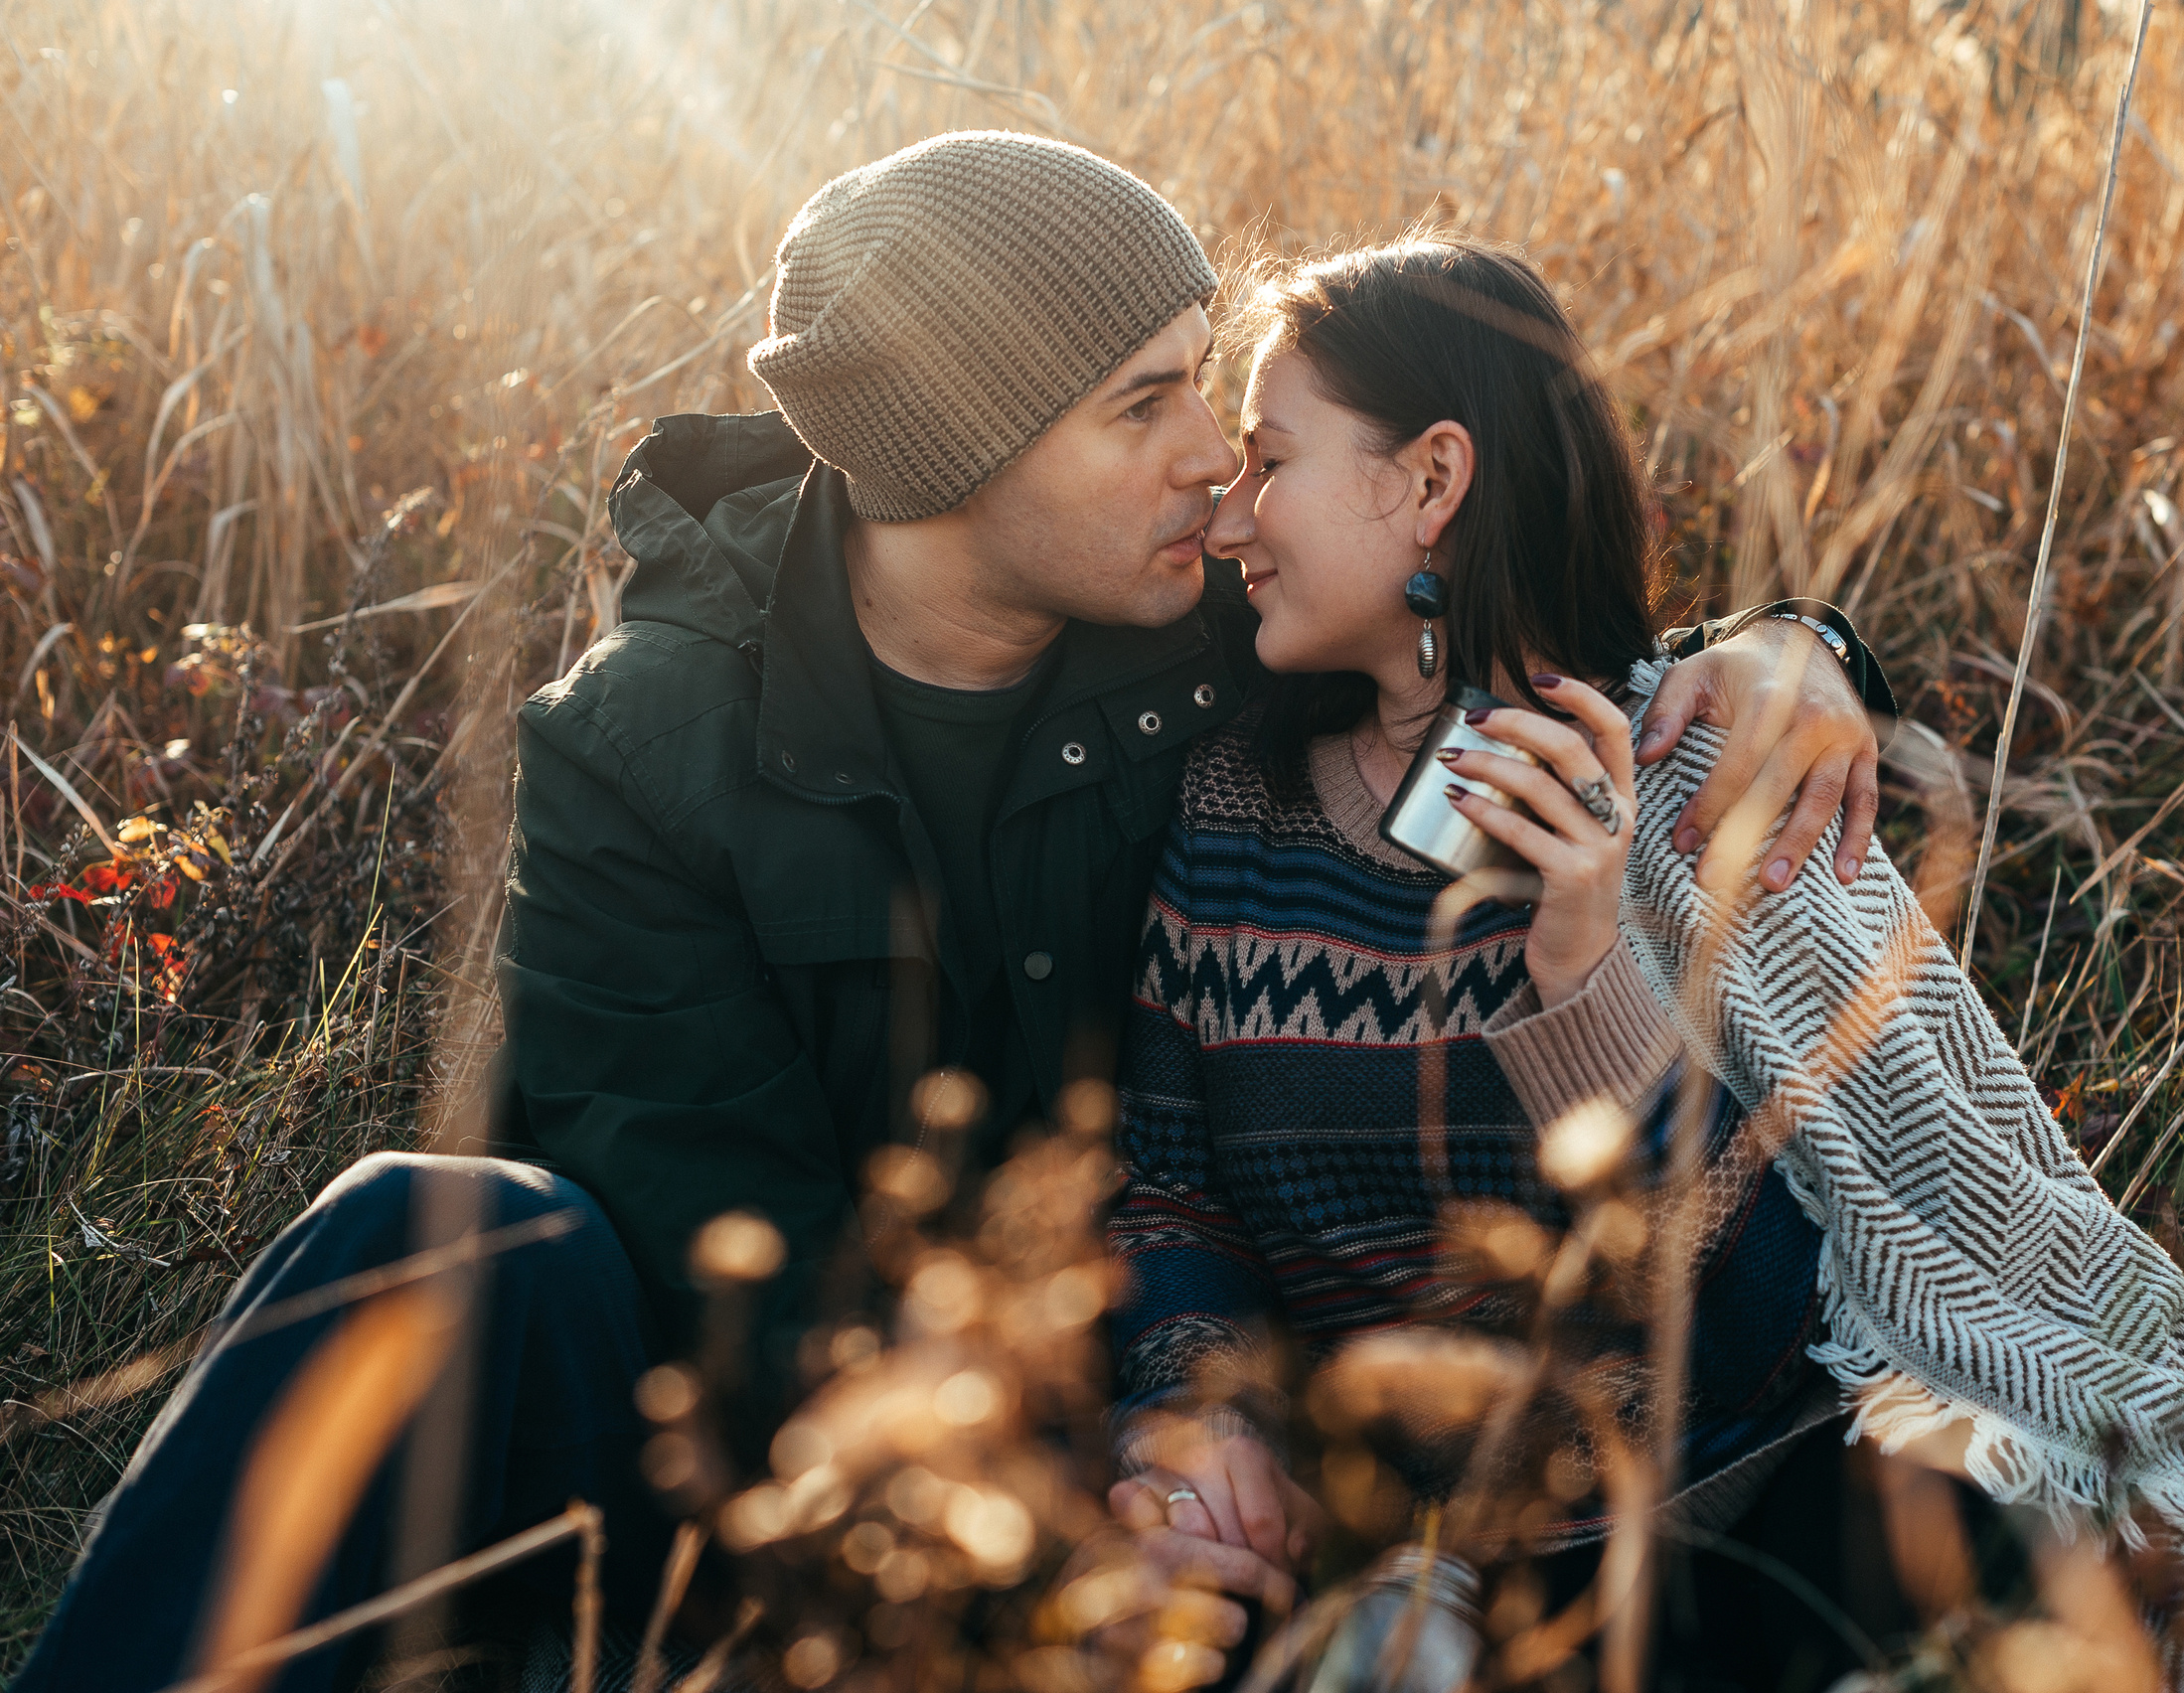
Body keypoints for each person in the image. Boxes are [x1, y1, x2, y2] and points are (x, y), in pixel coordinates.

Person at [8, 134, 1893, 1693]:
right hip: (769, 1455)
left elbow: (1487, 623)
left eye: (1210, 387)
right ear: (958, 454)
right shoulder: (641, 752)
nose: (1214, 466)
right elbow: (706, 1228)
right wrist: (1076, 1474)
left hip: (1211, 1475)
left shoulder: (1218, 629)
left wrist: (1795, 655)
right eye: (1145, 404)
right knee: (436, 1229)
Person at [1098, 233, 2184, 1692]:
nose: (1229, 516)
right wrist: (1198, 1412)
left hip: (1738, 1495)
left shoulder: (1702, 779)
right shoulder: (1234, 807)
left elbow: (1745, 1339)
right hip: (1405, 1545)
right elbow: (1172, 1190)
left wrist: (1585, 967)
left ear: (1431, 481)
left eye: (1270, 461)